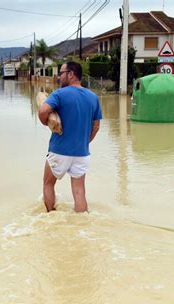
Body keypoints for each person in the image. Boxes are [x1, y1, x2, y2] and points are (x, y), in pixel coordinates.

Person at [38, 61, 102, 212]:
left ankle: (50, 217)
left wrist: (45, 123)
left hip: (59, 151)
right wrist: (84, 143)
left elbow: (42, 111)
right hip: (82, 153)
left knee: (48, 184)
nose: (59, 77)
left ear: (71, 74)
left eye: (61, 73)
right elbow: (96, 126)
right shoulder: (93, 97)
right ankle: (81, 225)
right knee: (79, 191)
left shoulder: (59, 94)